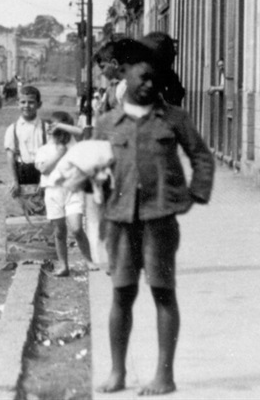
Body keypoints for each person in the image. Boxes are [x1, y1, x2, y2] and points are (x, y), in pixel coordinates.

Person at [96, 37, 214, 396]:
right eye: (143, 77)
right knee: (121, 294)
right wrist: (99, 204)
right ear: (125, 74)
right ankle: (117, 372)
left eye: (156, 79)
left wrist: (194, 195)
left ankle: (165, 375)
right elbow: (92, 170)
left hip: (160, 219)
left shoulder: (174, 118)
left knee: (163, 294)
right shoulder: (106, 123)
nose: (150, 84)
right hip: (120, 221)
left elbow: (201, 157)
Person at [42, 110, 95, 276]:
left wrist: (61, 126)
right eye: (57, 130)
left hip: (73, 190)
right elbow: (44, 169)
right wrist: (59, 154)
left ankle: (89, 260)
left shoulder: (74, 143)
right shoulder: (45, 148)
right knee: (59, 231)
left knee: (77, 228)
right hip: (53, 192)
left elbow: (80, 132)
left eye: (64, 130)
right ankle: (64, 265)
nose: (61, 134)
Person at [4, 85, 49, 198]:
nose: (27, 106)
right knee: (22, 211)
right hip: (21, 174)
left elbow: (52, 156)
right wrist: (15, 181)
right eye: (23, 102)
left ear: (39, 104)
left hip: (43, 173)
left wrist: (45, 181)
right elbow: (10, 156)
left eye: (31, 102)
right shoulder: (13, 129)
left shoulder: (46, 128)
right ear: (17, 104)